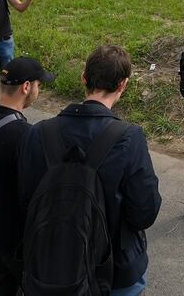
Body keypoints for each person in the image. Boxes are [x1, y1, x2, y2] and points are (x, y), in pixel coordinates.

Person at [19, 46, 161, 296]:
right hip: (117, 268)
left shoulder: (38, 133)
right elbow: (144, 212)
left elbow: (26, 198)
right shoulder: (129, 138)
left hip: (51, 264)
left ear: (83, 77)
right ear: (123, 85)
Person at [0, 57, 52, 296]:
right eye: (38, 84)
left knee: (2, 284)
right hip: (16, 237)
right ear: (26, 87)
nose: (38, 90)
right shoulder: (23, 135)